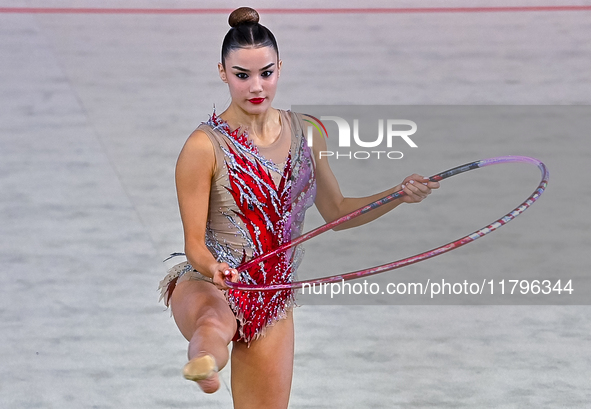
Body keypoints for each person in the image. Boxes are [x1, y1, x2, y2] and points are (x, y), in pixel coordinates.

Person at [158, 7, 440, 409]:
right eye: (242, 76)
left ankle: (208, 362)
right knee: (212, 323)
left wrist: (397, 193)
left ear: (280, 68)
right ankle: (205, 366)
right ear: (222, 72)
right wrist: (215, 269)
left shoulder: (307, 132)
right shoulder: (203, 147)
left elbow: (338, 211)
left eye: (266, 73)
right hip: (213, 281)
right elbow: (194, 247)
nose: (256, 86)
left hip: (272, 297)